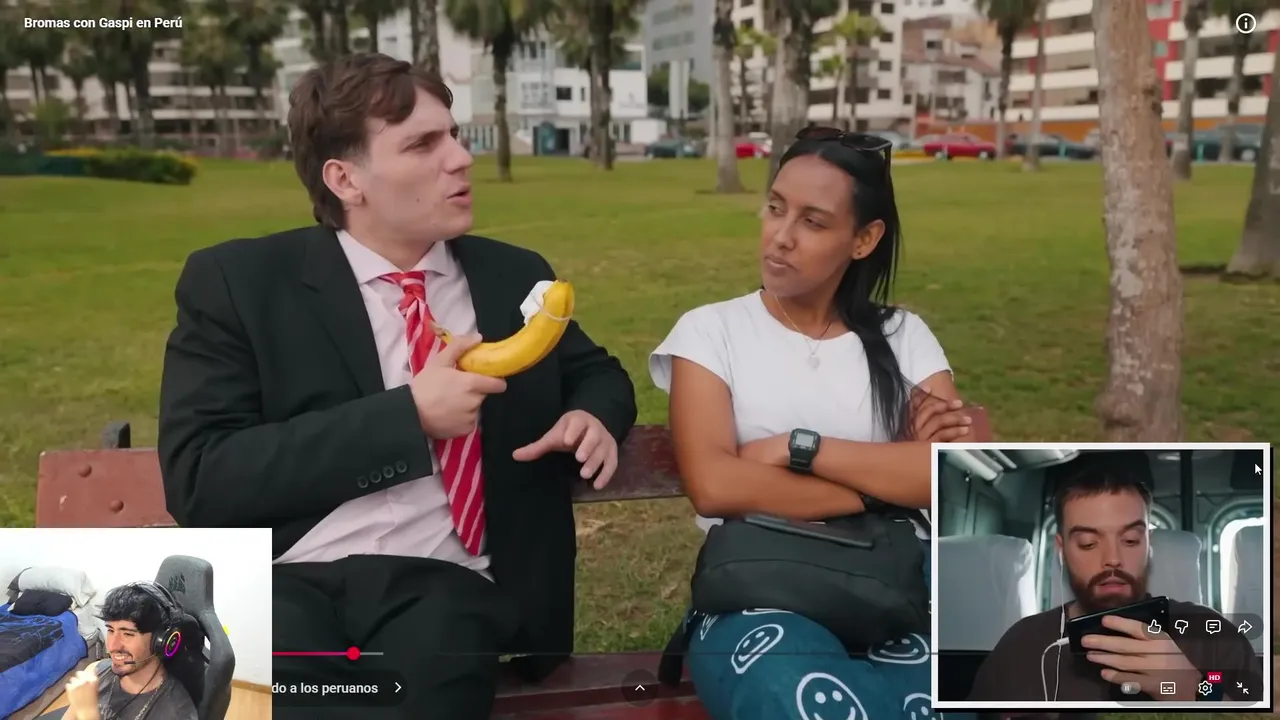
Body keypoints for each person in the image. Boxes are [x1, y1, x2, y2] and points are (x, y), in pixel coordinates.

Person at [157, 53, 637, 720]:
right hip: (285, 578)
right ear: (345, 179)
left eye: (454, 136)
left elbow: (595, 371)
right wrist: (406, 418)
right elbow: (201, 479)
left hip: (446, 586)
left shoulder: (510, 277)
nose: (460, 159)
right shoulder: (241, 284)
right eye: (422, 144)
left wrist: (595, 414)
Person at [648, 127, 975, 720]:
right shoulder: (711, 332)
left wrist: (800, 449)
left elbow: (948, 476)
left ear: (864, 239)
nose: (781, 236)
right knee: (800, 700)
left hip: (897, 590)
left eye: (813, 222)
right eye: (775, 208)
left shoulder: (904, 337)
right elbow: (716, 485)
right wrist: (882, 489)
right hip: (761, 595)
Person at [968, 456, 1263, 702]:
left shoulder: (1214, 637)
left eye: (1130, 540)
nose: (1113, 558)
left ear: (1148, 544)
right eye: (1088, 543)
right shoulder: (1022, 645)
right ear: (1062, 549)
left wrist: (1193, 689)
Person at [43, 584, 199, 720]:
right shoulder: (96, 672)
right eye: (111, 630)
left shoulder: (176, 712)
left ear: (160, 642)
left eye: (128, 634)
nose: (112, 646)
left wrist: (88, 714)